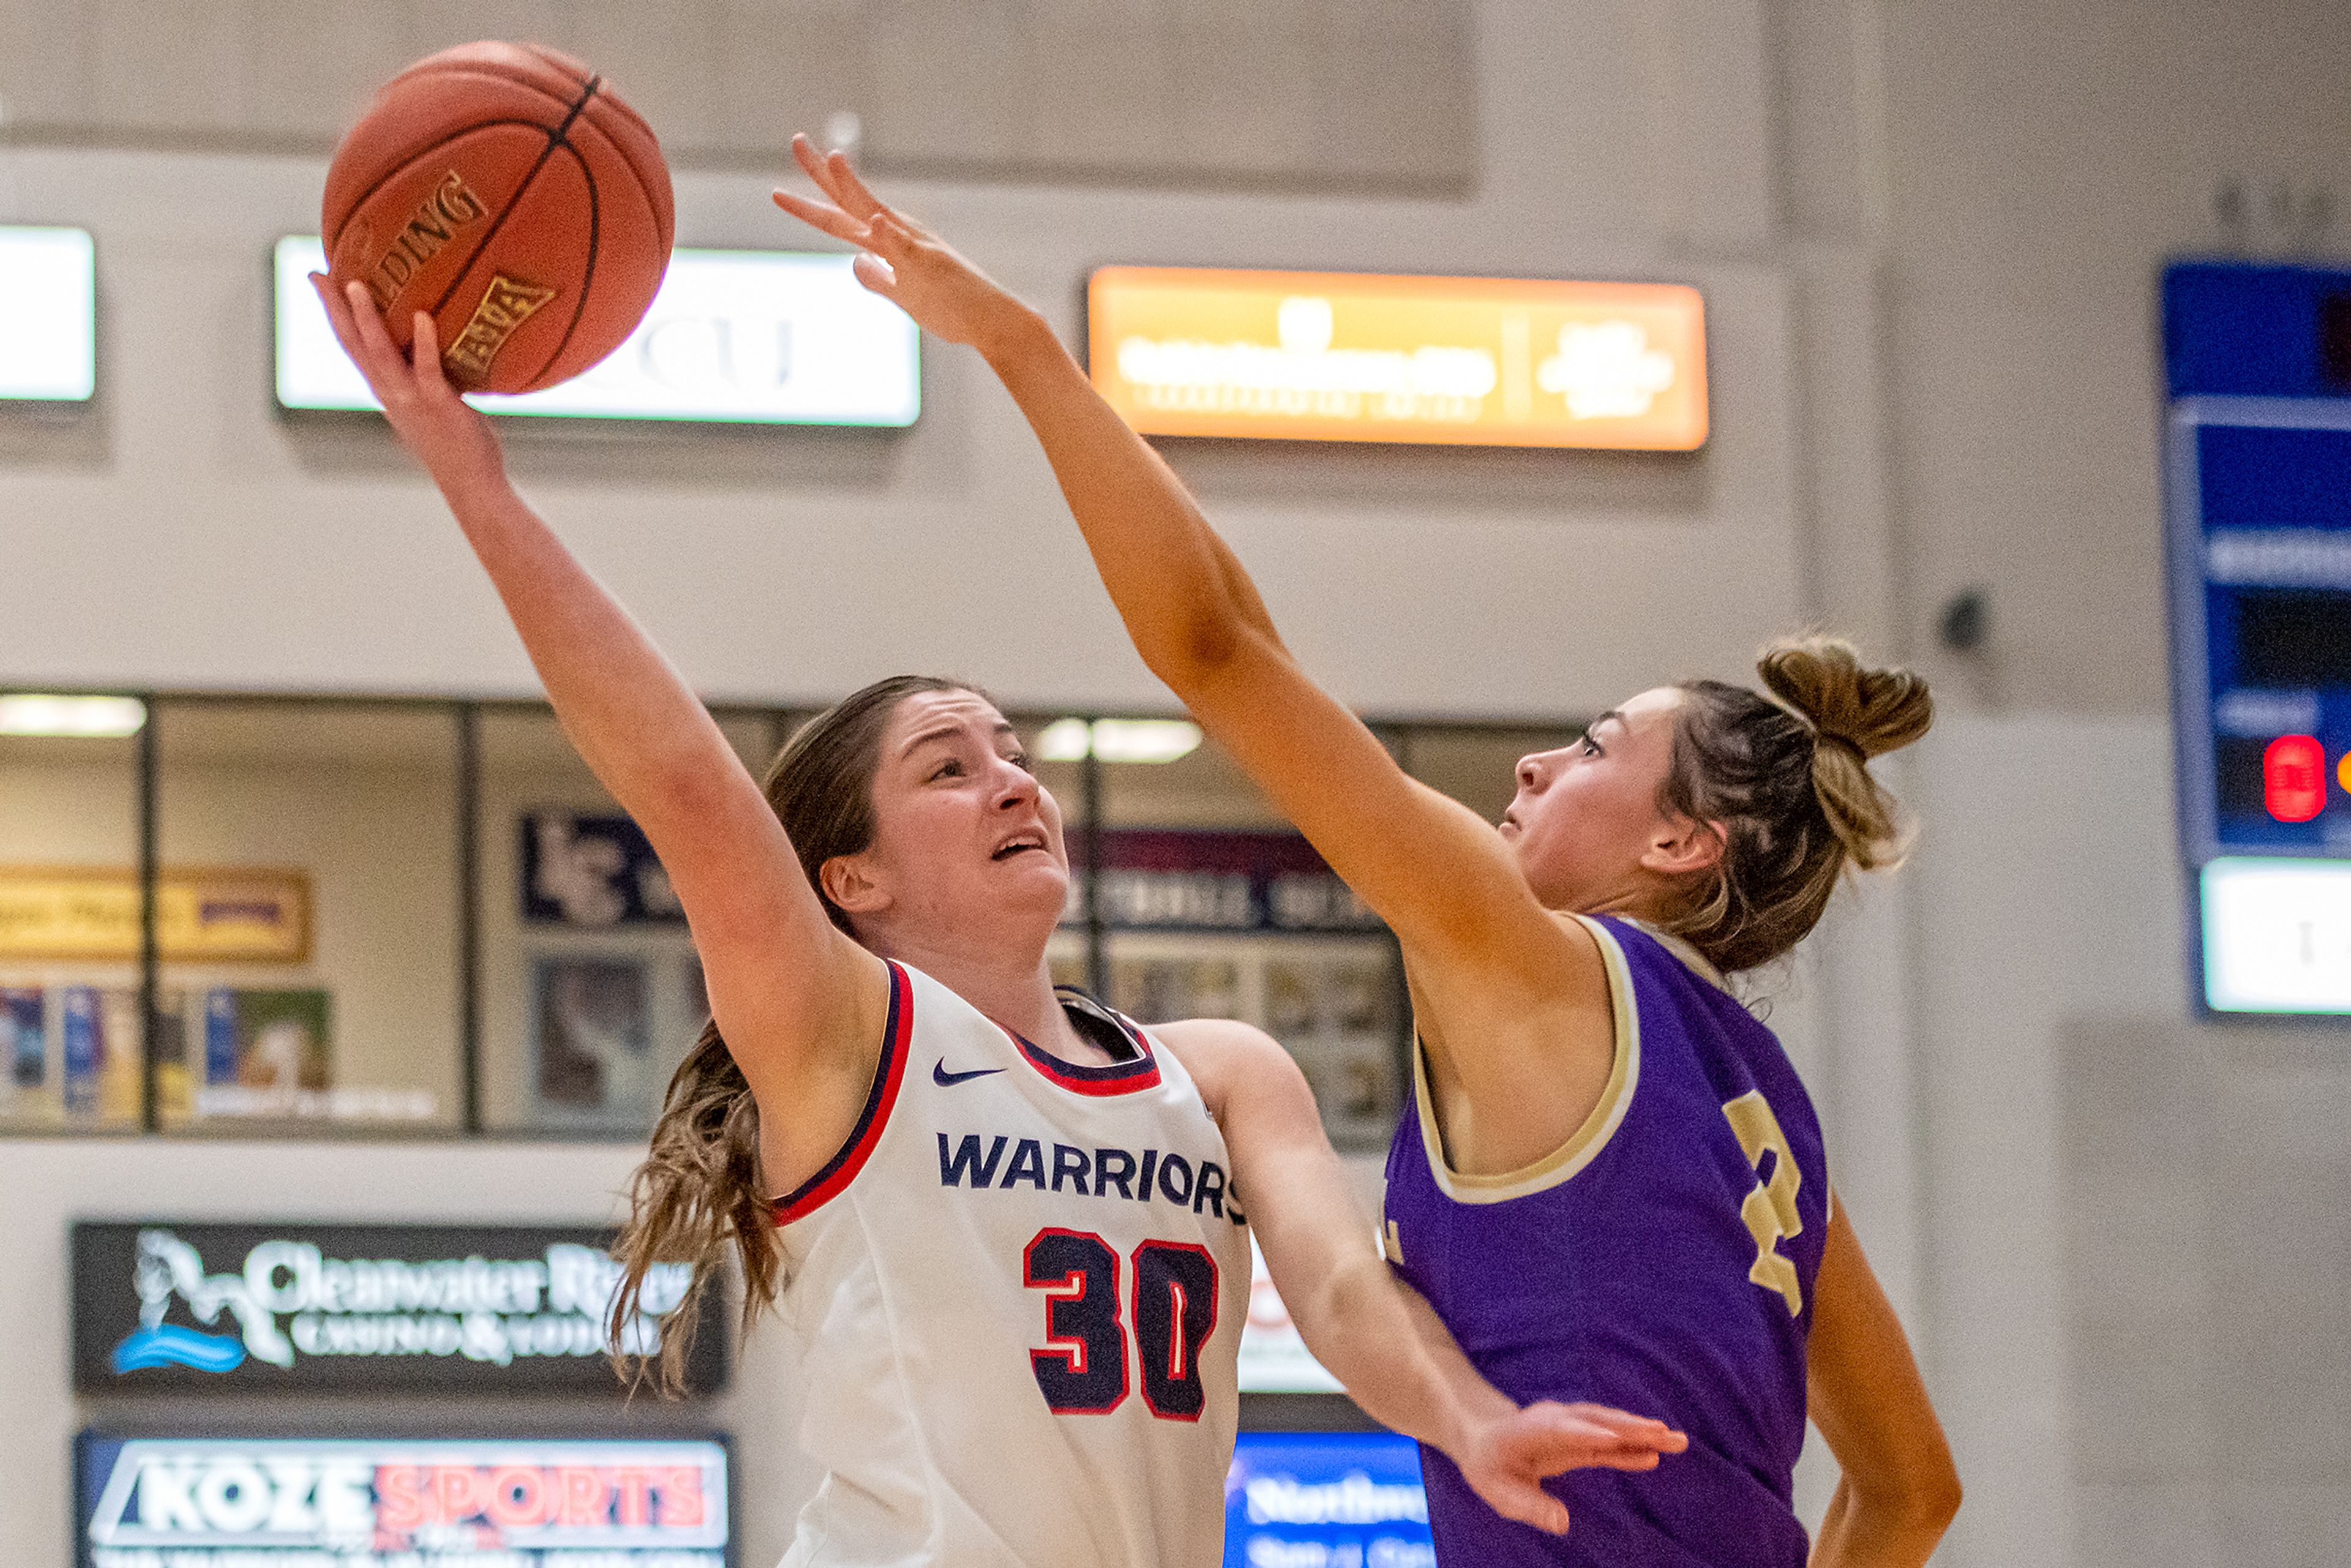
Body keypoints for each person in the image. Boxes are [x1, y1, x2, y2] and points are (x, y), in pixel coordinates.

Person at [310, 275, 1686, 1568]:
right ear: (851, 878)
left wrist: (1467, 1419)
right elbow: (680, 778)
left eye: (1011, 752)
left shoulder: (1218, 1073)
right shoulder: (849, 1042)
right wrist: (470, 473)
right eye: (948, 769)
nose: (1011, 781)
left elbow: (1336, 1295)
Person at [771, 136, 1963, 1567]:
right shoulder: (1768, 1122)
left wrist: (1023, 348)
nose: (1534, 765)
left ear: (1678, 840)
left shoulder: (1538, 965)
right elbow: (1911, 1493)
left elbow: (1220, 649)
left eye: (1591, 746)